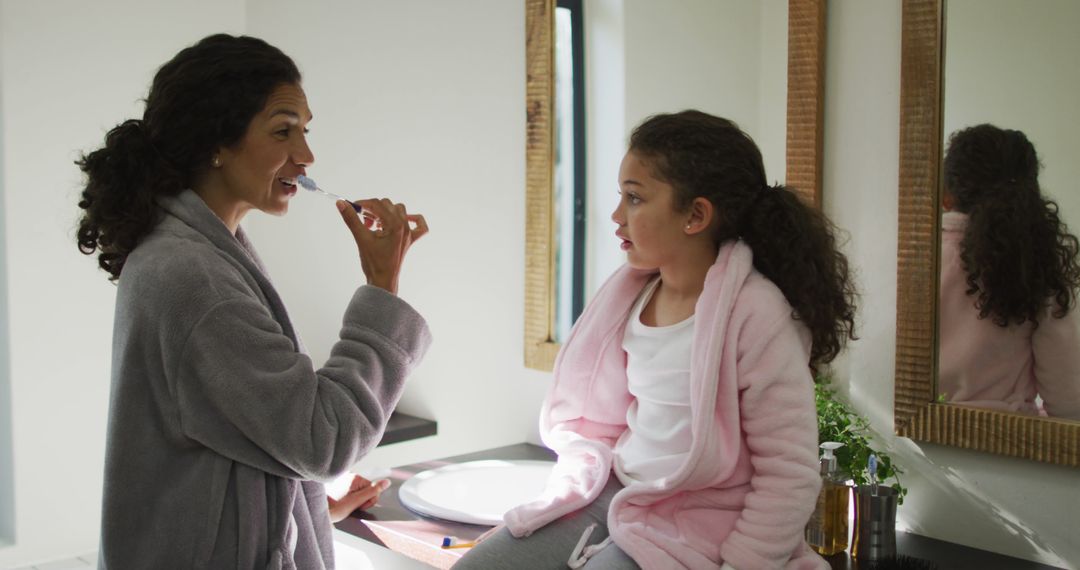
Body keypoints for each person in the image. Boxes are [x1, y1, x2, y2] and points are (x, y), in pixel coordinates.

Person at [75, 34, 431, 568]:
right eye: (283, 131)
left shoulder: (192, 252)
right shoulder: (197, 280)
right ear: (214, 142)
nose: (306, 156)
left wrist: (305, 507)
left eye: (306, 131)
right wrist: (382, 288)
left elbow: (221, 429)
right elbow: (323, 439)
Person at [456, 110, 856, 570]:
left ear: (696, 215)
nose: (615, 215)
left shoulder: (757, 314)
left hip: (698, 517)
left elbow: (788, 475)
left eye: (634, 199)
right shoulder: (633, 294)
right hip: (618, 491)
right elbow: (602, 420)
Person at [938, 124, 1080, 419]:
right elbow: (1067, 401)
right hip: (1005, 449)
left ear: (947, 195)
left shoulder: (911, 256)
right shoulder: (1035, 266)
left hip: (912, 438)